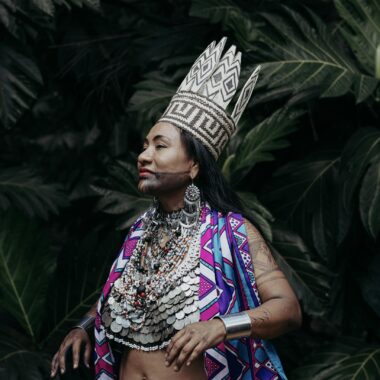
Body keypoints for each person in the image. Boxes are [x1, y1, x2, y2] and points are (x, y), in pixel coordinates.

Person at [51, 37, 302, 380]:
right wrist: (84, 325)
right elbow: (124, 290)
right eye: (144, 145)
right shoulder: (141, 230)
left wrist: (221, 327)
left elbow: (287, 310)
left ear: (195, 165)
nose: (143, 155)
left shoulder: (231, 233)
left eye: (160, 146)